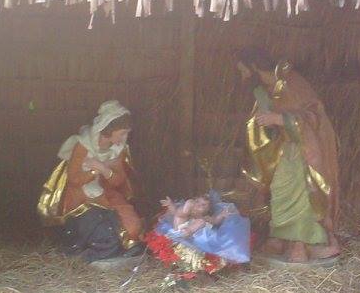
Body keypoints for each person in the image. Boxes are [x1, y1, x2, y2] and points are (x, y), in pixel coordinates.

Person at [236, 47, 342, 264]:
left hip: (307, 151)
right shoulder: (264, 92)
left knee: (304, 192)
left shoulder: (292, 82)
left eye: (243, 70)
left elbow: (314, 115)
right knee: (280, 189)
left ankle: (303, 243)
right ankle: (282, 238)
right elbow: (261, 125)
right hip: (284, 149)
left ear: (254, 67)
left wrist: (279, 119)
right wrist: (263, 124)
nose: (243, 76)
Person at [38, 100, 145, 261]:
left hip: (106, 192)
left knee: (132, 225)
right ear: (109, 129)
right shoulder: (84, 145)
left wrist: (103, 169)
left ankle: (127, 246)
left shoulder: (118, 149)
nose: (125, 137)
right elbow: (74, 179)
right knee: (102, 229)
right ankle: (95, 253)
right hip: (81, 197)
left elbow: (118, 180)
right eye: (122, 133)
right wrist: (93, 172)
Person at [147, 191, 251, 281]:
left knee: (201, 221)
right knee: (180, 215)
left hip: (194, 236)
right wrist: (170, 204)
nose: (199, 205)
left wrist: (222, 215)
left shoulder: (205, 218)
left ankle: (187, 231)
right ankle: (183, 230)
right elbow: (174, 213)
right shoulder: (190, 214)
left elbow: (215, 221)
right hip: (181, 229)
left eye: (203, 205)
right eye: (197, 202)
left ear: (208, 209)